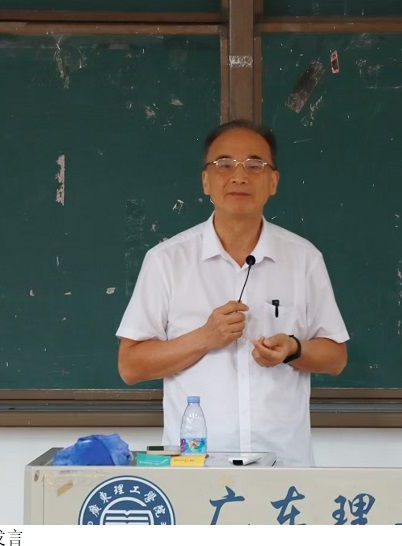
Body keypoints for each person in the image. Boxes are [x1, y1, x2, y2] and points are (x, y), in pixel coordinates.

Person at [116, 120, 349, 466]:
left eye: (254, 165)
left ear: (273, 182)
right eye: (224, 164)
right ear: (205, 181)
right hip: (196, 468)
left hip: (284, 468)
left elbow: (336, 357)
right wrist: (205, 337)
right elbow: (130, 365)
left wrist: (293, 349)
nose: (239, 177)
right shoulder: (167, 260)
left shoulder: (303, 259)